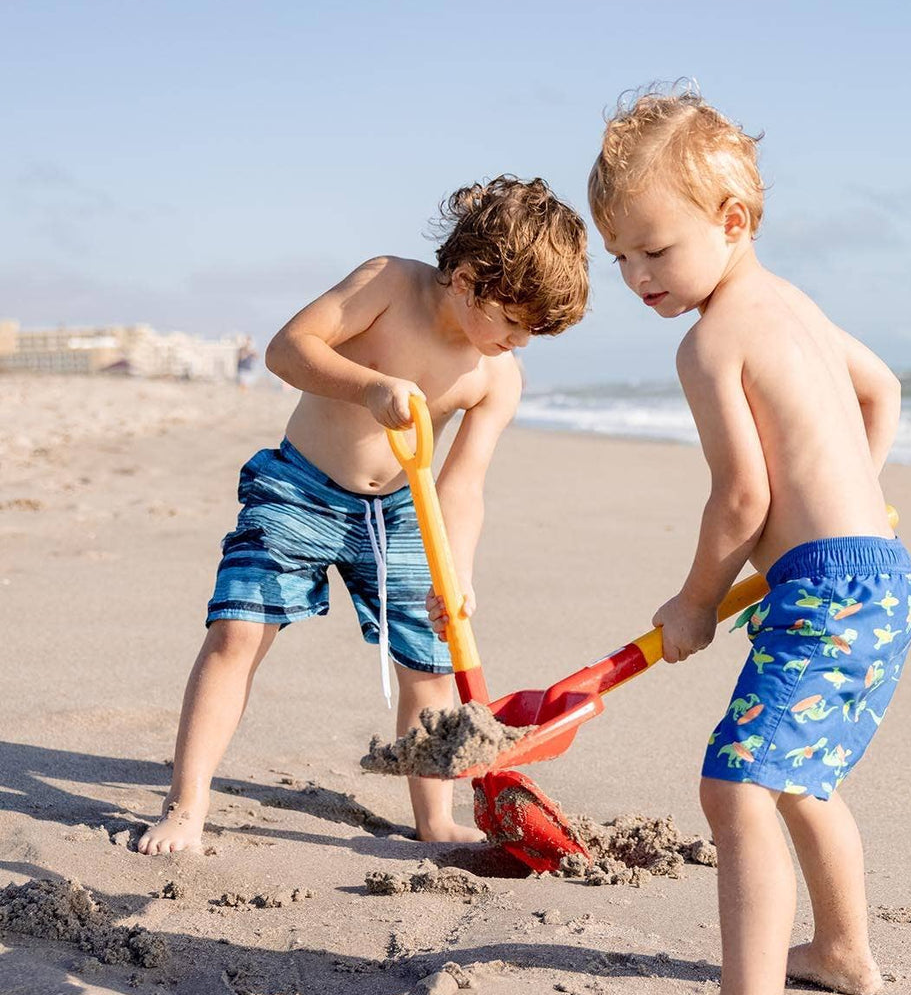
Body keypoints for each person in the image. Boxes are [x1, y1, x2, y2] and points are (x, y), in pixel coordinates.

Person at [587, 87, 911, 995]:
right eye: (619, 258)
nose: (636, 276)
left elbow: (739, 496)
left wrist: (695, 599)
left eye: (654, 251)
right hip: (877, 578)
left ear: (730, 222)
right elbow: (882, 389)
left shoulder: (709, 341)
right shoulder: (799, 309)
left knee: (733, 782)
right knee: (796, 776)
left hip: (824, 591)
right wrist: (855, 492)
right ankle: (841, 952)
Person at [139, 177, 588, 855]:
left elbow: (462, 486)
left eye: (534, 332)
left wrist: (456, 574)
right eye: (516, 322)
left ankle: (434, 818)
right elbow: (289, 348)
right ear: (467, 279)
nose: (520, 343)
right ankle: (187, 803)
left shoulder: (496, 377)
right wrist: (370, 385)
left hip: (404, 513)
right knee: (237, 632)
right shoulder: (386, 284)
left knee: (430, 666)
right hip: (301, 487)